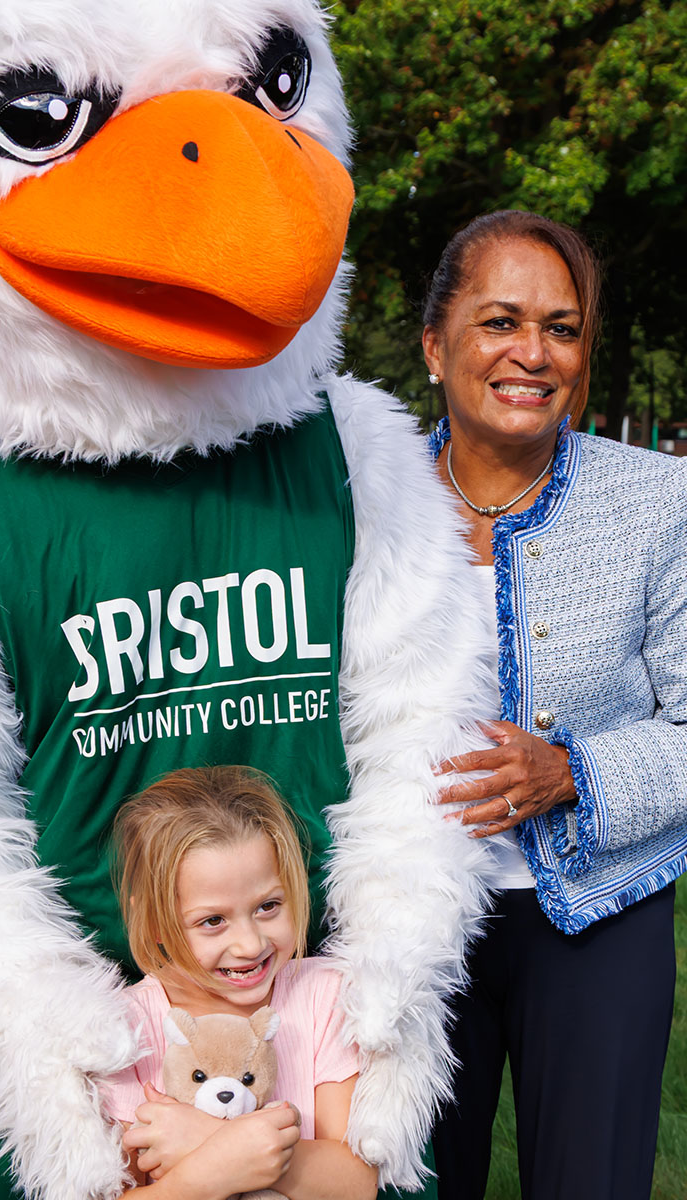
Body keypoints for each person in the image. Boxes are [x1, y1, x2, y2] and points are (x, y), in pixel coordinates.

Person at [421, 209, 687, 1200]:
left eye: (563, 328)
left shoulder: (661, 503)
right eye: (499, 322)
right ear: (436, 345)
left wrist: (570, 771)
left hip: (598, 913)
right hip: (411, 916)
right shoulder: (366, 503)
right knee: (406, 1179)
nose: (533, 353)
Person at [101, 766, 377, 1200]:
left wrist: (214, 1140)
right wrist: (214, 1168)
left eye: (268, 905)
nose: (250, 944)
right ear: (155, 921)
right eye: (213, 920)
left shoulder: (324, 995)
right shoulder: (122, 1028)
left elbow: (356, 1184)